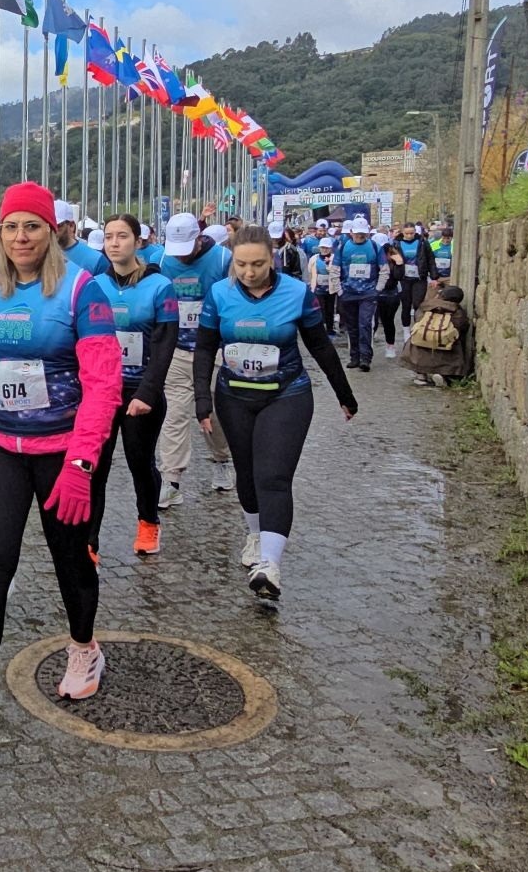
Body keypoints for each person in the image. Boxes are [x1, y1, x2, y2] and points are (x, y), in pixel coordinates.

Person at [0, 184, 121, 760]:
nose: (20, 237)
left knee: (70, 561)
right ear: (0, 234)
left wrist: (83, 464)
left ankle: (84, 646)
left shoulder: (84, 291)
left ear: (50, 230)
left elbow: (104, 384)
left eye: (31, 226)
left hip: (64, 451)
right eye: (11, 227)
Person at [192, 225, 357, 602]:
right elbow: (204, 350)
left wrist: (343, 394)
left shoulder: (298, 293)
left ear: (274, 257)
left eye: (258, 264)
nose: (249, 273)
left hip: (287, 395)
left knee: (274, 476)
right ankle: (254, 534)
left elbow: (320, 346)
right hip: (234, 396)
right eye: (241, 265)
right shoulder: (219, 294)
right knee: (246, 473)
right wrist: (202, 399)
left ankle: (270, 565)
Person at [89, 214, 179, 557]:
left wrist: (147, 392)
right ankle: (90, 541)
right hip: (103, 391)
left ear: (138, 241)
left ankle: (148, 521)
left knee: (139, 461)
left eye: (122, 236)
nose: (114, 243)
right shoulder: (95, 285)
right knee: (96, 465)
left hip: (141, 391)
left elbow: (164, 344)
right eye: (109, 236)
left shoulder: (160, 287)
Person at [155, 213, 234, 509]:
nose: (182, 256)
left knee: (211, 413)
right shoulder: (162, 261)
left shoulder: (224, 259)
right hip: (176, 349)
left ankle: (221, 459)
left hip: (214, 350)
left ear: (199, 239)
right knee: (174, 414)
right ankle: (171, 480)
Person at [333, 218, 385, 371]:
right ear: (351, 233)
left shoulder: (375, 247)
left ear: (368, 233)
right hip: (348, 293)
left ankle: (365, 358)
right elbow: (335, 270)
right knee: (352, 326)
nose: (360, 237)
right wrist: (339, 290)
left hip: (368, 293)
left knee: (365, 324)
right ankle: (354, 357)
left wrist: (378, 289)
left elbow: (384, 269)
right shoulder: (343, 247)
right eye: (357, 234)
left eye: (363, 234)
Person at [402, 285, 474, 387]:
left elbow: (417, 320)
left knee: (416, 338)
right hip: (444, 348)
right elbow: (462, 327)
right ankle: (442, 374)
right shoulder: (457, 311)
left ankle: (421, 376)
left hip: (419, 350)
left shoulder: (425, 306)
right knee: (454, 342)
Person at [376, 239, 408, 359]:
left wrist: (399, 263)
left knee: (388, 321)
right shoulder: (374, 259)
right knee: (372, 321)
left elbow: (398, 277)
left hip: (391, 294)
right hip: (376, 293)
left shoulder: (394, 260)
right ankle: (366, 347)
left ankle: (390, 345)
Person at [55, 199, 105, 274]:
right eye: (48, 225)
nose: (52, 231)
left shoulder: (95, 259)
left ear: (71, 226)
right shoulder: (37, 256)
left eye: (57, 226)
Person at [304, 235, 339, 336]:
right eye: (322, 247)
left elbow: (336, 271)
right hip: (318, 287)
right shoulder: (314, 259)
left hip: (330, 288)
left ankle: (330, 328)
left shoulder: (334, 258)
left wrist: (329, 266)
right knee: (320, 308)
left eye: (326, 248)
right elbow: (310, 272)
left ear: (330, 248)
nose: (324, 250)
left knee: (330, 308)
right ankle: (321, 328)